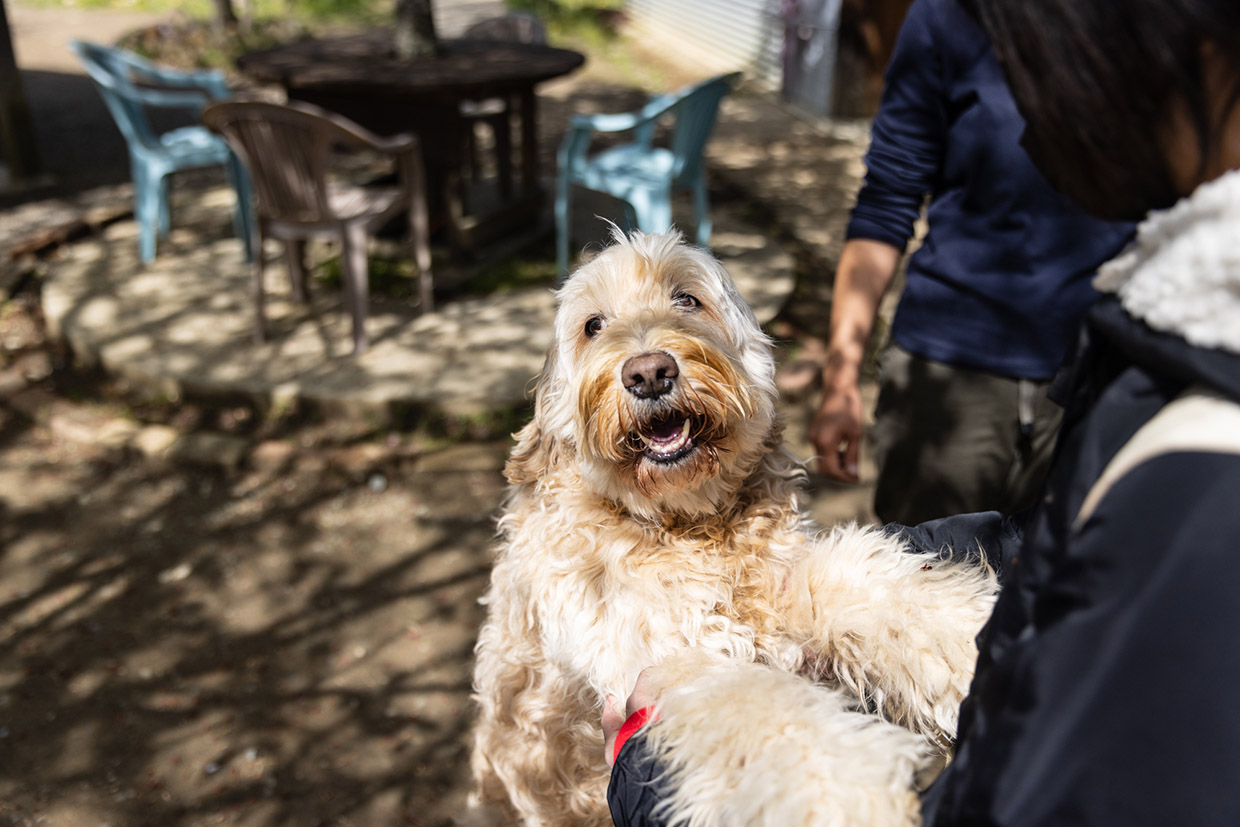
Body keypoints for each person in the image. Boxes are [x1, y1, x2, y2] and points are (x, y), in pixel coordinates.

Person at [605, 0, 1240, 823]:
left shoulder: (1195, 450)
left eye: (1030, 55)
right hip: (956, 367)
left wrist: (648, 754)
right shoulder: (942, 21)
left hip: (1078, 357)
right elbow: (1058, 550)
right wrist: (844, 388)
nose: (1026, 102)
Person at [808, 0, 1134, 525]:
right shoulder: (948, 17)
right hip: (950, 377)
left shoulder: (1154, 22)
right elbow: (887, 200)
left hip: (1101, 372)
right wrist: (842, 377)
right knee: (925, 584)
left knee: (1069, 594)